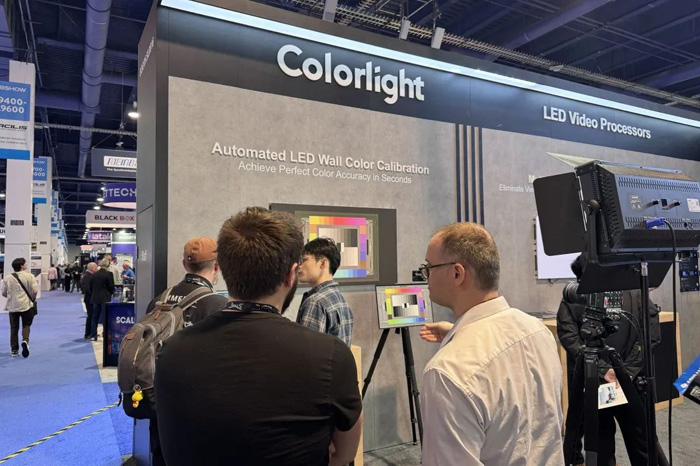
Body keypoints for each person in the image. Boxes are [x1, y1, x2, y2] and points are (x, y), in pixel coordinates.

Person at [156, 208, 363, 466]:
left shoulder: (171, 351)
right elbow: (344, 454)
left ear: (225, 271)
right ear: (291, 274)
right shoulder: (330, 355)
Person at [418, 222, 564, 465]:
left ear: (457, 273)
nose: (426, 276)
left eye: (429, 268)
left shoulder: (446, 372)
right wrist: (457, 333)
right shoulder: (538, 331)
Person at [557, 254, 661, 466]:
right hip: (597, 382)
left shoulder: (635, 291)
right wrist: (607, 370)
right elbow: (569, 336)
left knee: (641, 441)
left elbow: (650, 334)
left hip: (628, 382)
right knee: (602, 444)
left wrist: (625, 372)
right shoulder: (575, 297)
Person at [141, 237, 228, 465]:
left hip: (160, 399)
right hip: (198, 407)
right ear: (217, 266)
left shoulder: (159, 300)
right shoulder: (217, 305)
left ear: (184, 264)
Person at [296, 237, 354, 346]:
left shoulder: (315, 302)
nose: (299, 266)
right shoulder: (340, 299)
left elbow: (307, 350)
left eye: (304, 260)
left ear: (323, 263)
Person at [2, 258, 38, 357]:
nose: (26, 265)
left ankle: (14, 350)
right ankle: (25, 340)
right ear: (22, 266)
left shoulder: (7, 278)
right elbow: (35, 291)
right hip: (26, 305)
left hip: (13, 306)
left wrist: (12, 297)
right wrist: (32, 298)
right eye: (25, 263)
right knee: (26, 325)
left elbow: (4, 293)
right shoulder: (30, 276)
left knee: (14, 328)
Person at [88, 259, 115, 341]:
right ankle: (105, 335)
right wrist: (111, 293)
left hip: (95, 298)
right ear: (108, 265)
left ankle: (93, 335)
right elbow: (111, 286)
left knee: (95, 317)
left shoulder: (94, 274)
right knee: (105, 317)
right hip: (105, 298)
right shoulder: (109, 274)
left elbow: (90, 286)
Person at [81, 263, 98, 340]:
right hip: (89, 299)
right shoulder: (87, 276)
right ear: (92, 268)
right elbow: (88, 289)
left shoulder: (89, 276)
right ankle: (88, 333)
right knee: (90, 316)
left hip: (90, 299)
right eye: (96, 268)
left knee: (92, 316)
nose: (97, 269)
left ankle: (91, 332)